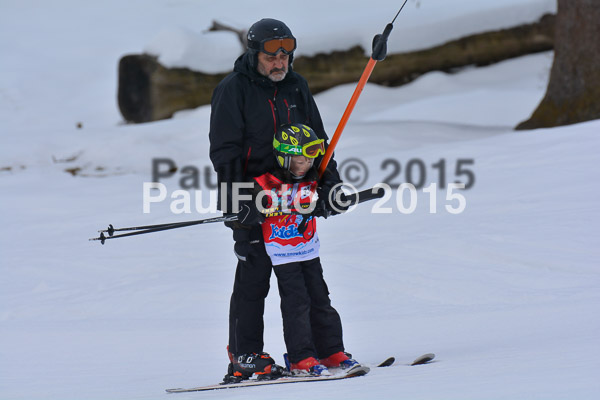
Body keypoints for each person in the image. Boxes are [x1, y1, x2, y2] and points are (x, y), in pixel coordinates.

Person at [208, 18, 345, 381]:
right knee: (254, 279)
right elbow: (224, 152)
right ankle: (244, 356)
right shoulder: (233, 90)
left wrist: (329, 184)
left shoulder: (296, 86)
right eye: (272, 56)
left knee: (305, 281)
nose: (280, 62)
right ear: (254, 54)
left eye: (286, 54)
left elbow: (320, 142)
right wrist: (239, 199)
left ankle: (315, 351)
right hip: (253, 200)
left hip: (295, 199)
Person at [250, 123, 359, 377]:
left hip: (309, 250)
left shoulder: (314, 177)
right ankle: (301, 357)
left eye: (309, 159)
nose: (305, 165)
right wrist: (252, 210)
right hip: (282, 255)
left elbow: (326, 198)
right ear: (284, 158)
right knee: (297, 304)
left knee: (321, 299)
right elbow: (248, 209)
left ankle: (331, 350)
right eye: (299, 160)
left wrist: (328, 203)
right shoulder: (266, 182)